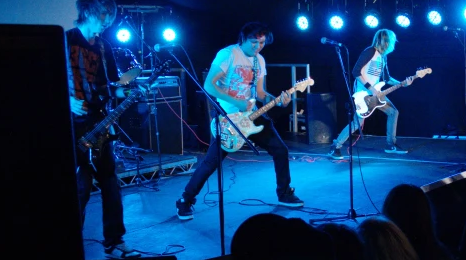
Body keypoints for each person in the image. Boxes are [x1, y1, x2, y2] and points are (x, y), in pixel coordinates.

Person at [176, 22, 301, 219]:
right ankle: (185, 200)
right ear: (243, 39)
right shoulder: (228, 54)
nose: (257, 46)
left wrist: (278, 101)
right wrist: (237, 102)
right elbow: (209, 85)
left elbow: (260, 93)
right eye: (253, 42)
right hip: (229, 118)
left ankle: (284, 193)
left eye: (261, 43)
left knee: (280, 150)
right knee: (211, 163)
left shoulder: (259, 60)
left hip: (253, 116)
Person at [67, 0, 140, 259]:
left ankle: (115, 240)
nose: (107, 21)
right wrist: (66, 99)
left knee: (110, 182)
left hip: (98, 124)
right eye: (103, 15)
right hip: (72, 126)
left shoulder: (103, 47)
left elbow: (109, 88)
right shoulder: (64, 41)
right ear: (87, 11)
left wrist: (127, 93)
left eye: (110, 17)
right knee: (81, 186)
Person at [329, 29, 412, 159]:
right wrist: (371, 88)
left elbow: (386, 78)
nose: (393, 44)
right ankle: (335, 146)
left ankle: (390, 145)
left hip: (376, 94)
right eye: (391, 41)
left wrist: (402, 82)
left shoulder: (383, 57)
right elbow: (356, 72)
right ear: (385, 41)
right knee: (357, 123)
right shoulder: (370, 51)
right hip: (363, 94)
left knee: (393, 112)